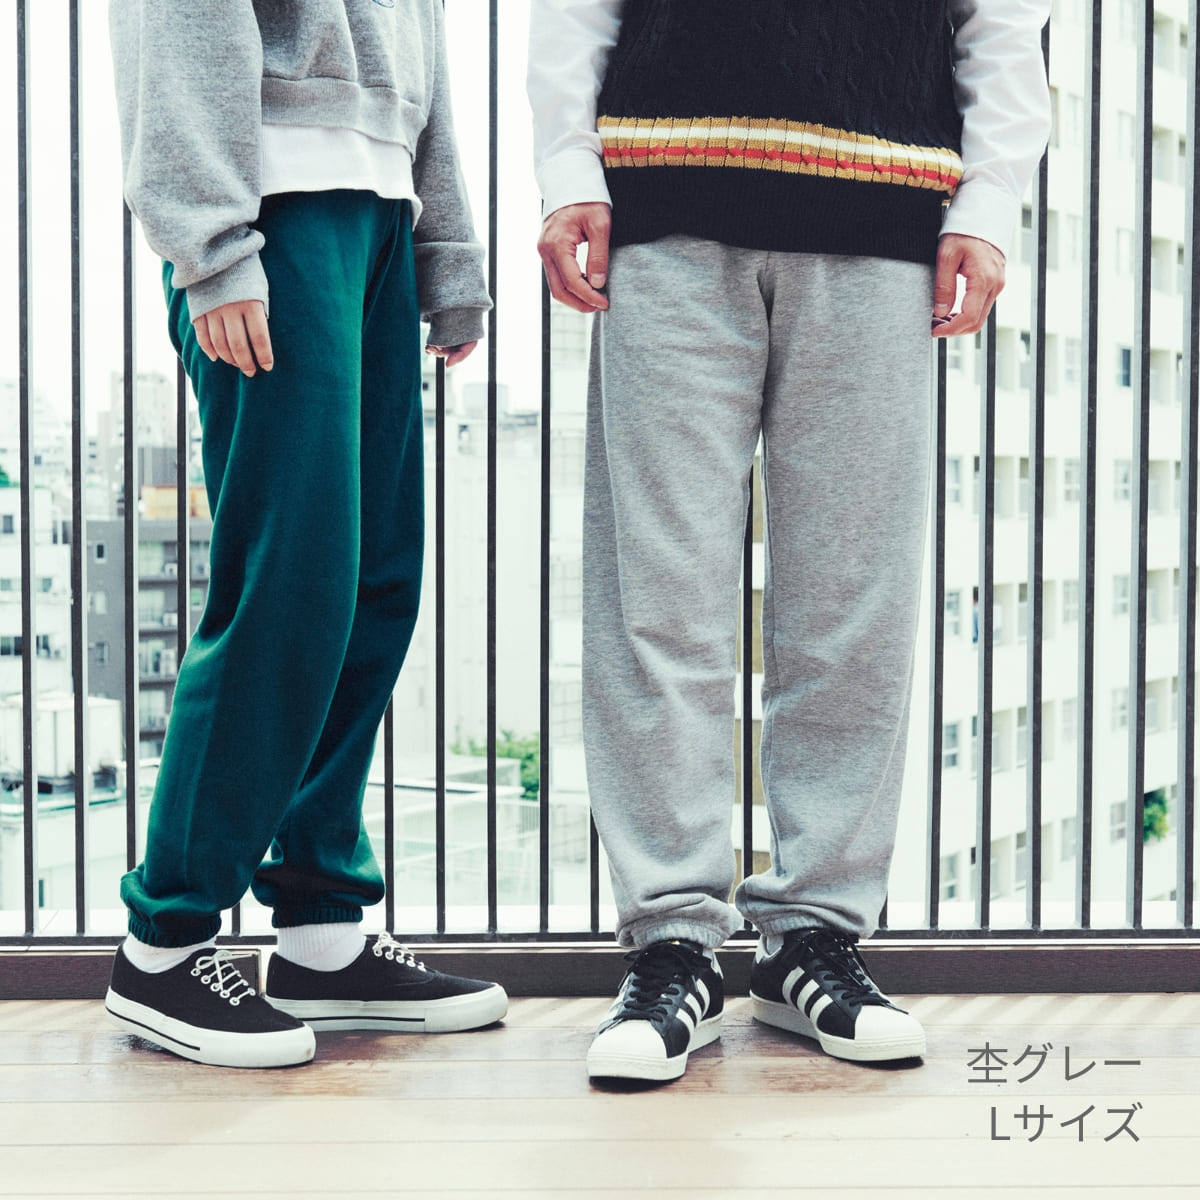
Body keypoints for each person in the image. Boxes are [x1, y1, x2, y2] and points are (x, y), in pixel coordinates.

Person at [529, 0, 1050, 1082]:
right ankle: (672, 946)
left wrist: (991, 199)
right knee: (657, 599)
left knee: (852, 601)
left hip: (884, 219)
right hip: (664, 211)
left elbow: (1003, 19)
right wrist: (569, 170)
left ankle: (812, 938)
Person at [103, 0, 507, 1069]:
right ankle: (164, 942)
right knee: (288, 582)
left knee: (374, 581)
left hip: (378, 215)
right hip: (270, 211)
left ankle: (322, 933)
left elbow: (420, 56)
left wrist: (446, 248)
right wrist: (212, 246)